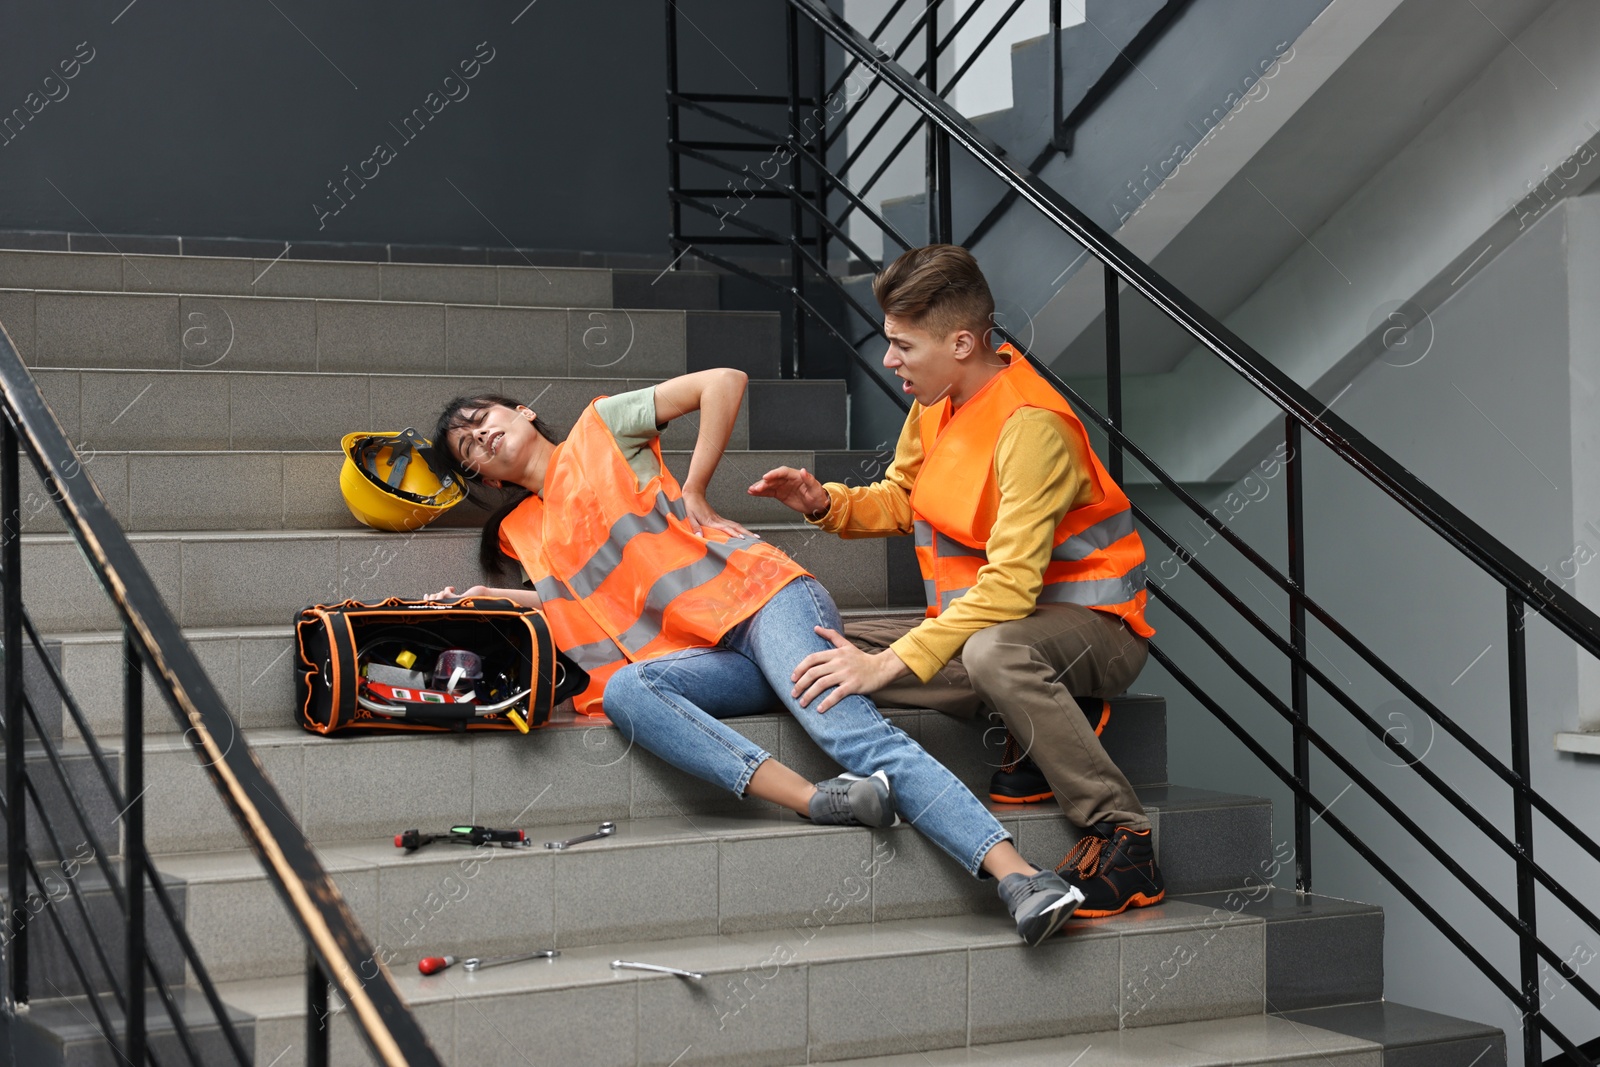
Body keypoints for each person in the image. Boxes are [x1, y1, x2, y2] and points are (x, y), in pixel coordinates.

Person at [427, 368, 1083, 945]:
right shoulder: (525, 531)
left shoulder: (602, 428)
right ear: (480, 475)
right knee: (629, 691)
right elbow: (580, 605)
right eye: (466, 445)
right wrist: (488, 602)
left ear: (524, 413)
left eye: (481, 418)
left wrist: (697, 486)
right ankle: (817, 799)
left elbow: (724, 380)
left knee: (845, 728)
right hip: (711, 655)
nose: (478, 436)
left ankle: (1021, 877)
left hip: (766, 602)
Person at [749, 244, 1165, 918]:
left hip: (1098, 633)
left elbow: (1008, 592)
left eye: (904, 345)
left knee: (987, 652)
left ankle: (1122, 834)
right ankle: (1031, 718)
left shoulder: (1032, 427)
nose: (890, 361)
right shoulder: (937, 401)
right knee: (821, 644)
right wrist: (824, 503)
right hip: (993, 626)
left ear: (963, 342)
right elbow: (903, 498)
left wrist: (891, 665)